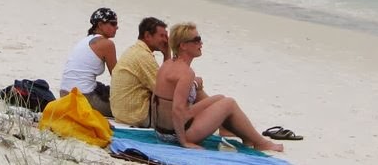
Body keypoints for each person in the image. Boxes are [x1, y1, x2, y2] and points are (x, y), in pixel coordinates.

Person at [153, 22, 283, 152]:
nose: (201, 43)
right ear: (183, 45)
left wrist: (158, 130)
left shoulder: (167, 64)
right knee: (229, 103)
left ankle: (245, 136)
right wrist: (184, 142)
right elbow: (178, 111)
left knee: (219, 98)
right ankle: (261, 143)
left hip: (162, 132)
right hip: (177, 135)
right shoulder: (186, 73)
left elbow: (155, 100)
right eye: (196, 40)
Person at [110, 17, 171, 127]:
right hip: (136, 116)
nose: (166, 40)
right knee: (186, 90)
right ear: (147, 36)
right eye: (162, 36)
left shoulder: (134, 50)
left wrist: (166, 54)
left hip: (121, 114)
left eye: (166, 36)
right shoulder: (143, 56)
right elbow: (165, 89)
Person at [60, 7, 119, 117]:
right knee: (125, 110)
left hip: (65, 95)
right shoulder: (107, 44)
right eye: (113, 23)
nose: (117, 27)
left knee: (104, 89)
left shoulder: (86, 40)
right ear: (100, 25)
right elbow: (117, 77)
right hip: (82, 99)